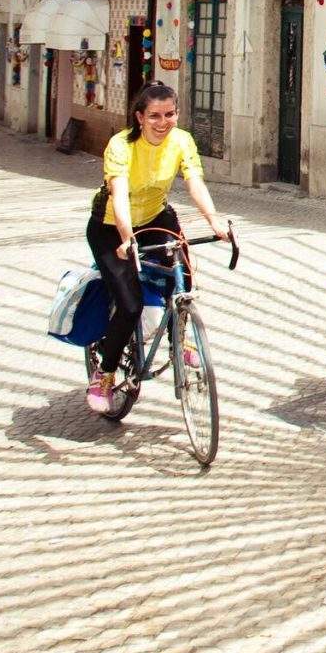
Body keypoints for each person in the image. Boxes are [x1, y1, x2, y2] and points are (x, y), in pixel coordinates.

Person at [87, 81, 232, 414]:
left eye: (169, 114)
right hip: (111, 227)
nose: (162, 122)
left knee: (182, 277)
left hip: (155, 216)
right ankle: (105, 373)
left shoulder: (181, 141)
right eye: (154, 115)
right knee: (129, 304)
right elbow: (119, 195)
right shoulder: (120, 146)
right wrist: (126, 237)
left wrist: (214, 221)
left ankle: (178, 340)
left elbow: (194, 181)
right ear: (139, 116)